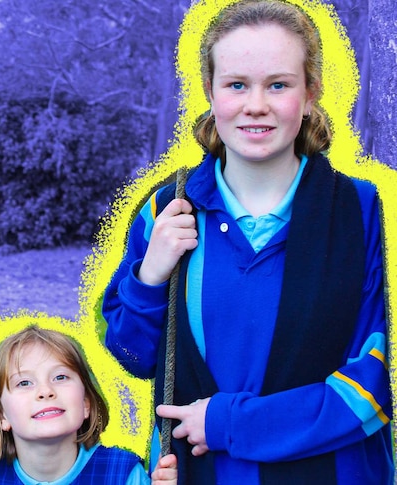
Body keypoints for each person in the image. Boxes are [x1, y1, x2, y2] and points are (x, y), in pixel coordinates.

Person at [102, 0, 392, 483]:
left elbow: (376, 383)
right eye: (236, 84)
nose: (256, 104)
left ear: (310, 92)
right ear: (211, 93)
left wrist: (228, 423)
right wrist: (150, 276)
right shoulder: (165, 208)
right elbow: (133, 357)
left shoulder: (364, 212)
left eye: (278, 84)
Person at [0, 326, 178, 485]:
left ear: (87, 403)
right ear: (1, 416)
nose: (45, 391)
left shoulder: (122, 475)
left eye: (60, 377)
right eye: (24, 383)